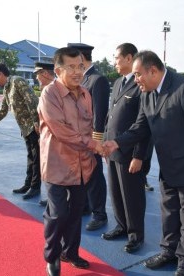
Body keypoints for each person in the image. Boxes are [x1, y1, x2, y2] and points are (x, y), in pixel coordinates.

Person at [103, 50, 184, 276]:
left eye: (138, 74)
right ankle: (168, 252)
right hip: (167, 166)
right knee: (169, 213)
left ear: (154, 71)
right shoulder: (147, 93)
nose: (135, 79)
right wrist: (116, 143)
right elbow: (141, 127)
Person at [38, 46, 104, 276]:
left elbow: (89, 126)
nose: (78, 72)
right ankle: (52, 256)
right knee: (58, 214)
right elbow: (61, 131)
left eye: (81, 67)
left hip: (82, 165)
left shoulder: (86, 94)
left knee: (76, 212)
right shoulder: (49, 94)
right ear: (58, 70)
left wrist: (98, 146)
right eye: (72, 67)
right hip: (57, 164)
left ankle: (71, 252)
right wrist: (94, 145)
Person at [101, 43, 149, 253]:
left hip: (130, 153)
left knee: (133, 197)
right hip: (112, 150)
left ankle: (136, 235)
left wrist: (139, 156)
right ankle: (121, 226)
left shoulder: (141, 86)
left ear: (129, 58)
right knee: (116, 194)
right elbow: (109, 117)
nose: (114, 63)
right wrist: (104, 144)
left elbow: (145, 124)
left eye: (117, 58)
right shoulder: (119, 82)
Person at [68, 42, 110, 231]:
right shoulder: (82, 79)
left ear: (81, 59)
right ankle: (85, 206)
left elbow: (100, 115)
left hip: (91, 138)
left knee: (94, 176)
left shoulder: (97, 80)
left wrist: (96, 141)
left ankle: (99, 214)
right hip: (80, 138)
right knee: (83, 175)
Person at [0, 63, 41, 200]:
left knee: (36, 158)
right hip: (25, 128)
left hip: (33, 127)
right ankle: (28, 184)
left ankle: (35, 187)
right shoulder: (6, 88)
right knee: (31, 157)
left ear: (0, 73)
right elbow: (3, 110)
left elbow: (32, 101)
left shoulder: (17, 81)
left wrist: (36, 122)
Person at [32, 61, 55, 207]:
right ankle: (52, 198)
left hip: (55, 140)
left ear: (45, 74)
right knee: (48, 170)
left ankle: (57, 201)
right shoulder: (45, 89)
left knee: (55, 171)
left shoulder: (54, 90)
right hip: (46, 137)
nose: (36, 79)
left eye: (38, 75)